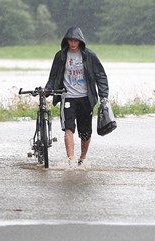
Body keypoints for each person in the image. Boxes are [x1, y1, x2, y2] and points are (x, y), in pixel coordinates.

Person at [44, 26, 109, 167]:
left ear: (80, 41)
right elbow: (53, 77)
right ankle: (71, 159)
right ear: (66, 41)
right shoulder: (60, 56)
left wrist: (104, 96)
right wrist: (48, 89)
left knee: (85, 132)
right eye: (70, 41)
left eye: (75, 41)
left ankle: (83, 158)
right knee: (68, 128)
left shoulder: (89, 56)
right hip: (67, 97)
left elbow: (100, 75)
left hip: (86, 98)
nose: (73, 44)